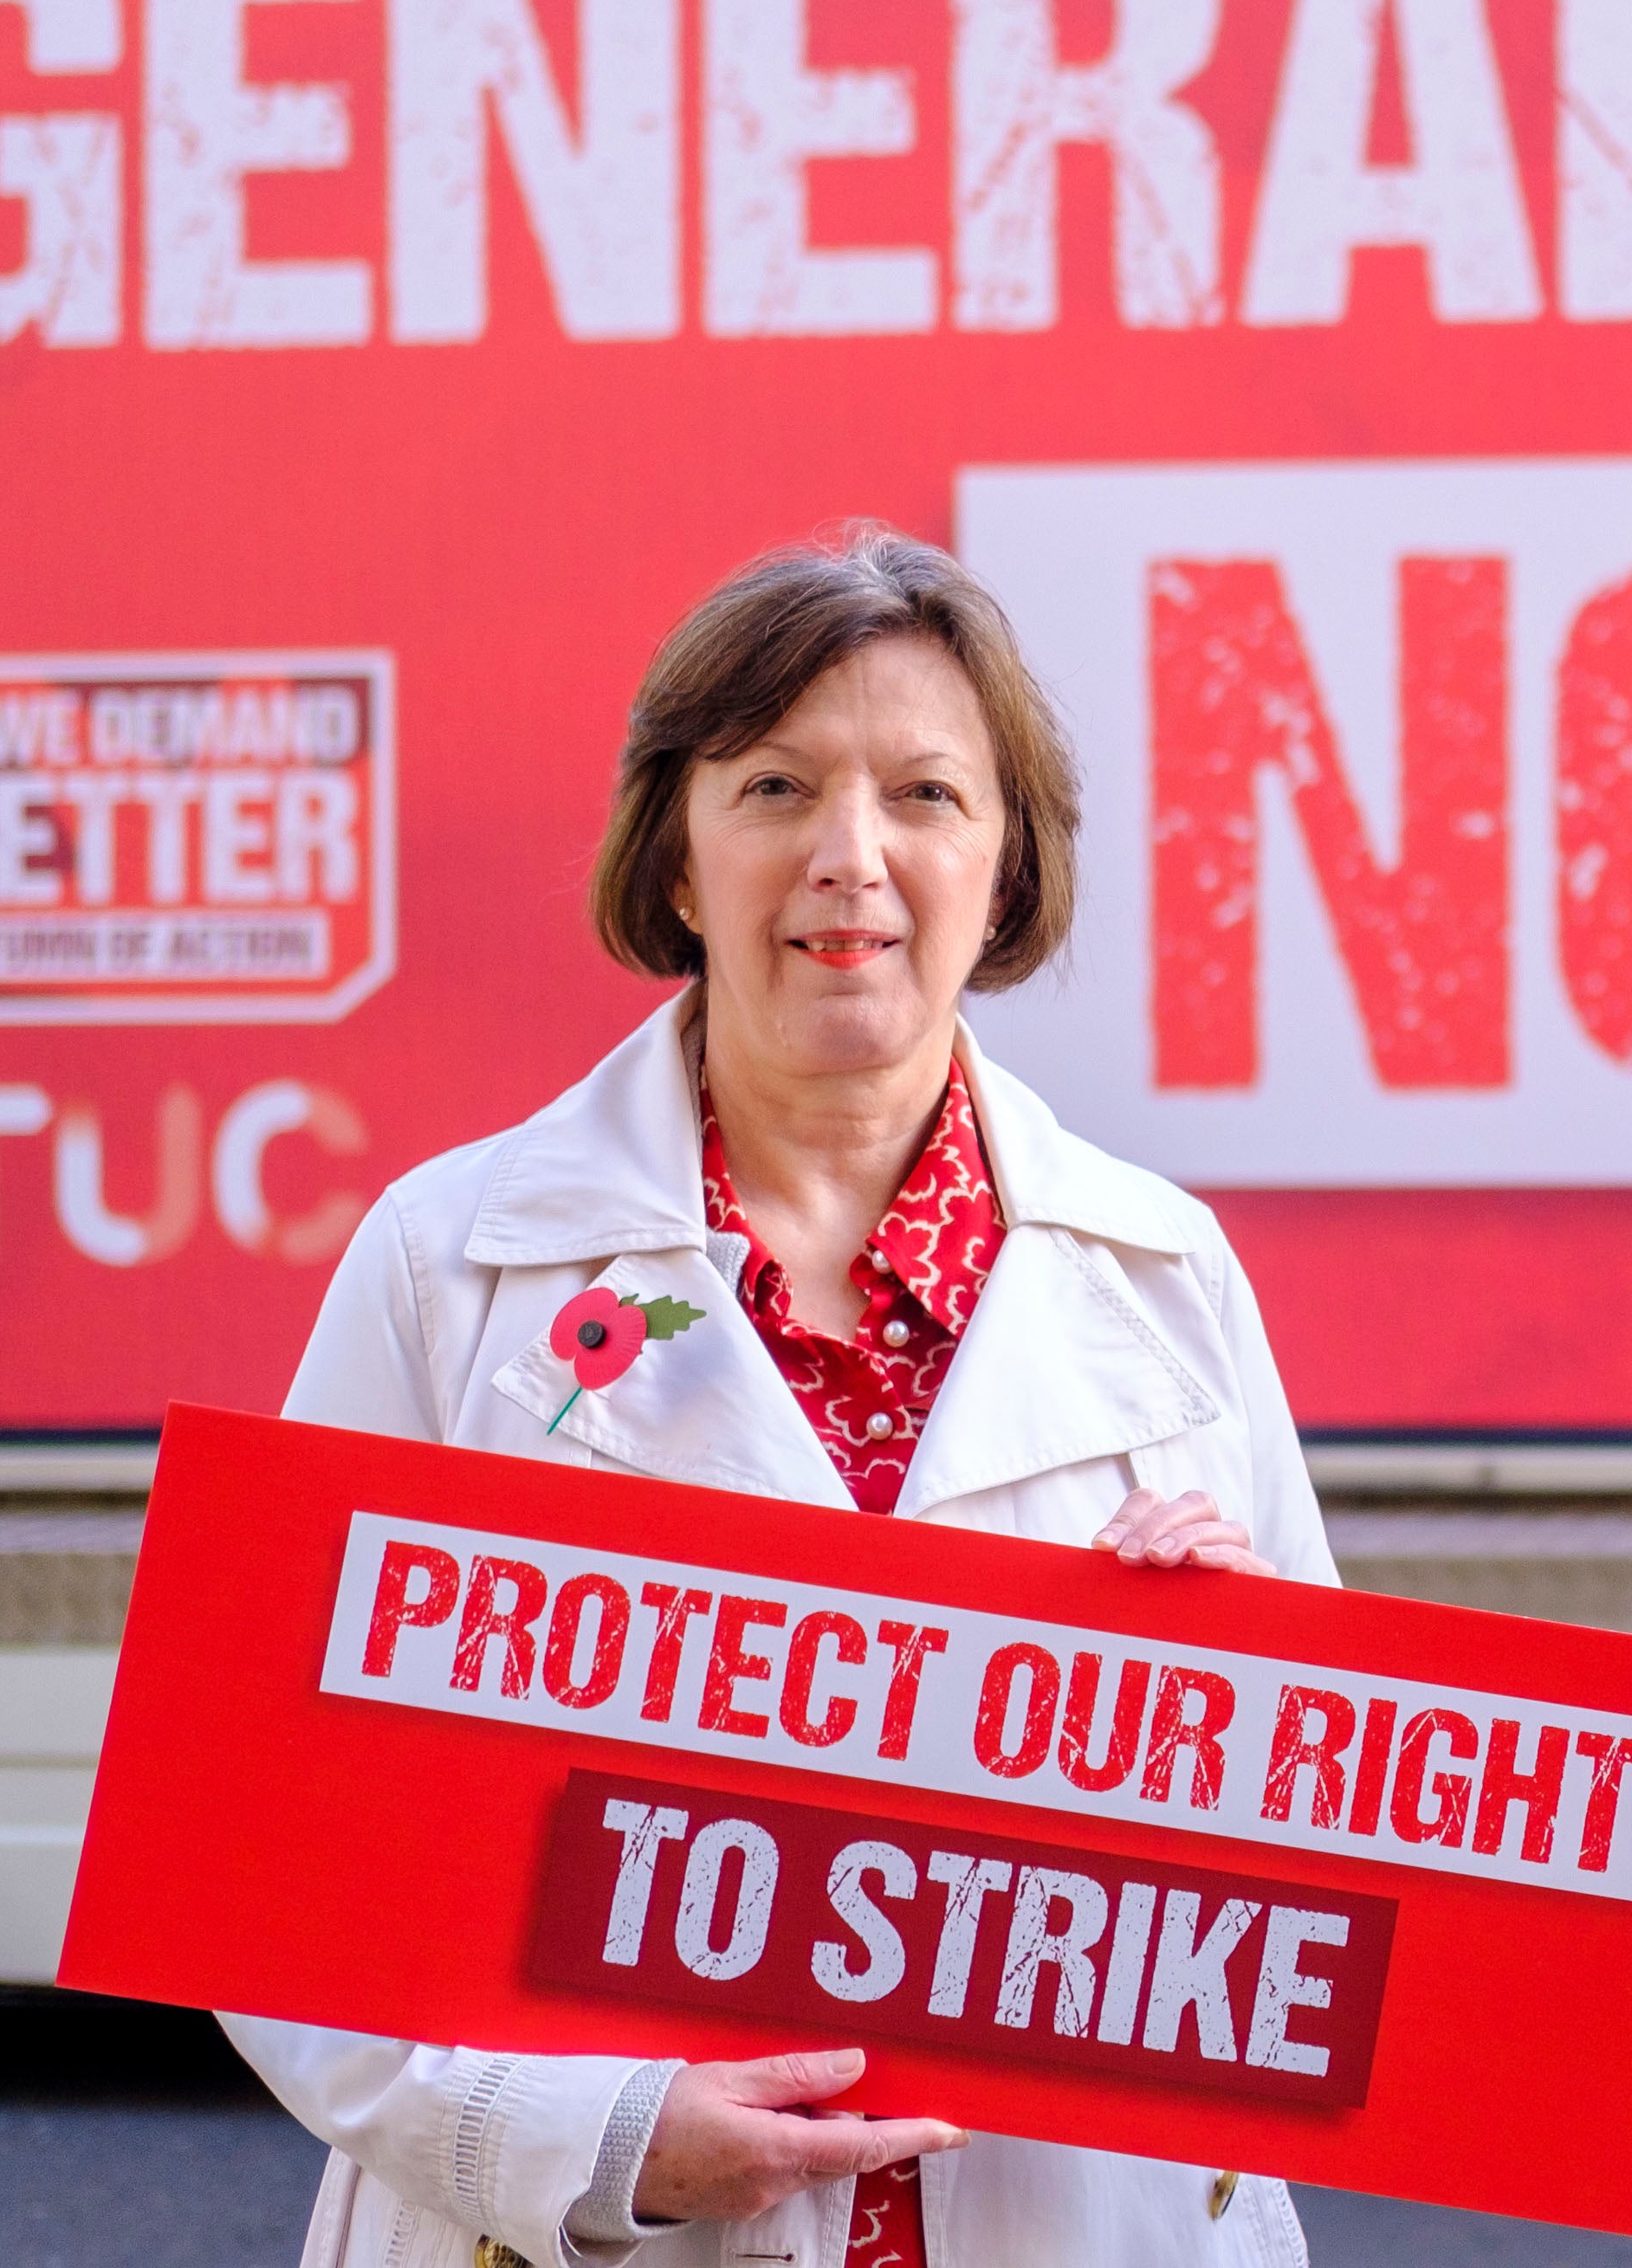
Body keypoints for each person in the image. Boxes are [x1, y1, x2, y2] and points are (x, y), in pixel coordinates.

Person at [227, 530, 1331, 2268]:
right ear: (675, 857)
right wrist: (586, 2142)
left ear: (1006, 865)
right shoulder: (451, 1266)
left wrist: (1242, 1708)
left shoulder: (1163, 1277)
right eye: (775, 785)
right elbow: (258, 1849)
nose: (851, 856)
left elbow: (1343, 1880)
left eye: (926, 795)